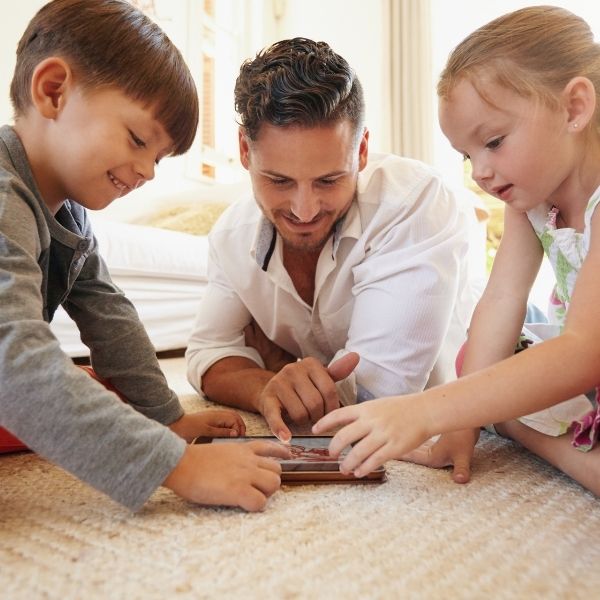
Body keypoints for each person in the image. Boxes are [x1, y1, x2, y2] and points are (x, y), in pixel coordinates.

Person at [0, 0, 289, 513]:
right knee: (37, 381)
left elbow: (109, 312)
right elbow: (12, 364)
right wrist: (174, 465)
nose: (149, 172)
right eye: (137, 139)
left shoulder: (68, 212)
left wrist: (164, 417)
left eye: (157, 157)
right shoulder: (4, 196)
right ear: (53, 91)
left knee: (78, 391)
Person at [314, 5, 600, 495]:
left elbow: (582, 352)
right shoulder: (531, 203)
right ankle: (518, 420)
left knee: (495, 388)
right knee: (478, 358)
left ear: (574, 108)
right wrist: (459, 425)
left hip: (587, 355)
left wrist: (428, 409)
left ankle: (533, 431)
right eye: (468, 156)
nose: (480, 172)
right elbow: (501, 301)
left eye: (493, 142)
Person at [186, 38, 478, 445]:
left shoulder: (414, 202)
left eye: (328, 180)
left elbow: (380, 393)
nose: (304, 211)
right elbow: (206, 354)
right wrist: (265, 384)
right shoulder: (231, 236)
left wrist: (281, 361)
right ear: (244, 152)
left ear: (360, 151)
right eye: (279, 181)